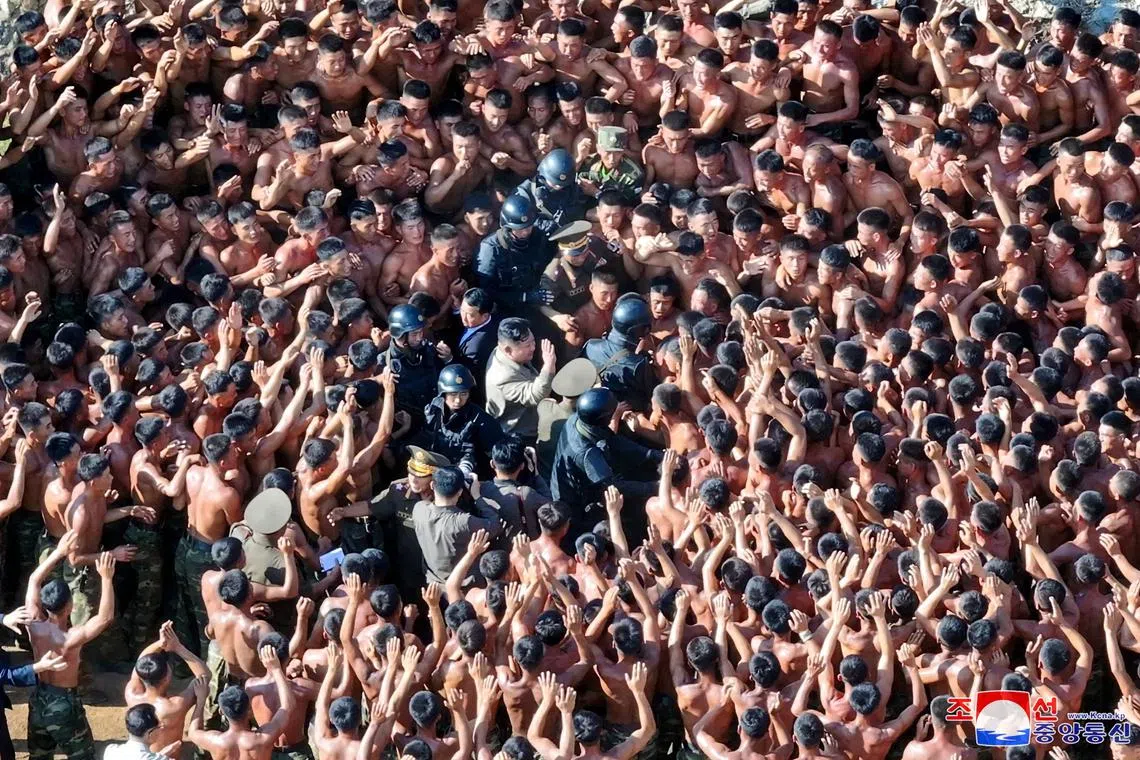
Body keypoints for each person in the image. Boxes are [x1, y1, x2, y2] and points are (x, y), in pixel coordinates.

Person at [484, 317, 557, 445]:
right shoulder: (501, 378)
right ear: (508, 350)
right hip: (519, 435)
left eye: (533, 342)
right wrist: (549, 366)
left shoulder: (504, 352)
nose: (533, 347)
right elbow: (535, 395)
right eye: (527, 345)